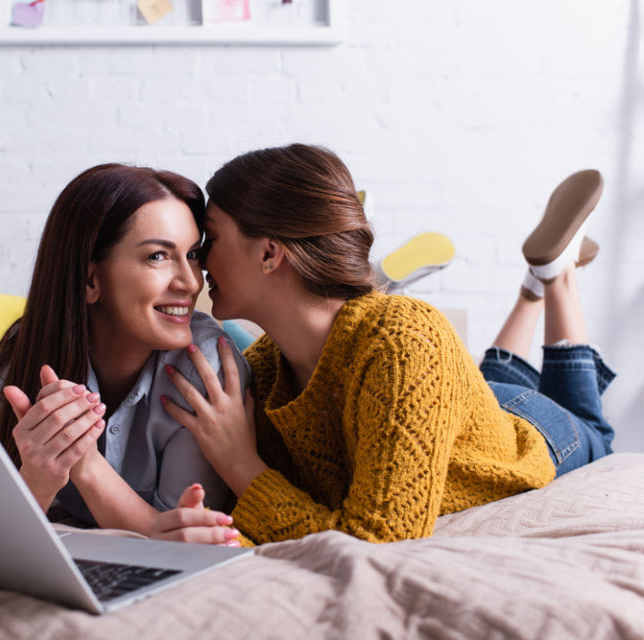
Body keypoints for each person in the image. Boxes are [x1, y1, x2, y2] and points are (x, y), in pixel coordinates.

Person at [160, 144, 616, 545]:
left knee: (595, 430)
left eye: (210, 240)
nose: (197, 260)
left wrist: (241, 464)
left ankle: (556, 276)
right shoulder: (265, 367)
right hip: (451, 403)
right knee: (487, 380)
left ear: (269, 253)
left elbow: (379, 538)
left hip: (528, 428)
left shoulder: (404, 340)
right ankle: (534, 285)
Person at [0, 163, 249, 546]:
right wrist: (39, 480)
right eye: (158, 256)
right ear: (91, 279)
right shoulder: (28, 353)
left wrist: (86, 466)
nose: (191, 282)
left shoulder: (203, 367)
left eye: (192, 255)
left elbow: (181, 535)